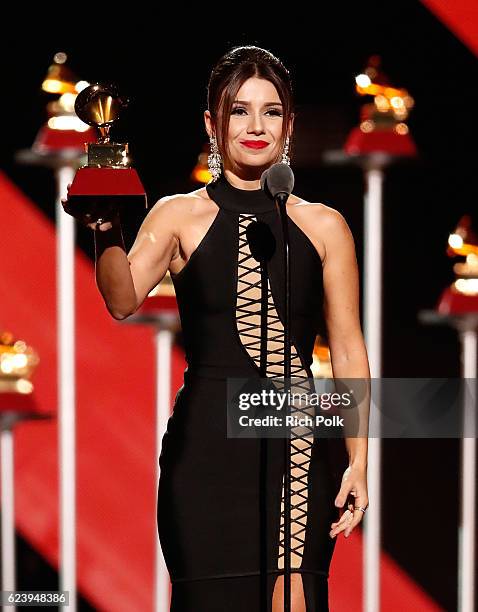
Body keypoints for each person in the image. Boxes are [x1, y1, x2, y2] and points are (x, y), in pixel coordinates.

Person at [74, 45, 370, 612]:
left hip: (298, 448)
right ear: (211, 123)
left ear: (290, 123)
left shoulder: (325, 225)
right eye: (239, 111)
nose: (256, 126)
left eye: (272, 111)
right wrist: (105, 226)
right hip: (206, 457)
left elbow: (350, 351)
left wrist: (358, 459)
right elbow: (120, 299)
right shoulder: (177, 215)